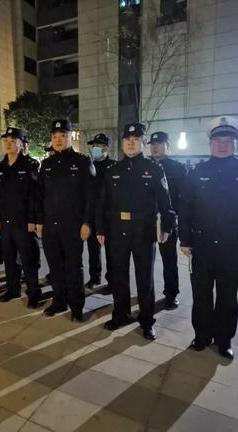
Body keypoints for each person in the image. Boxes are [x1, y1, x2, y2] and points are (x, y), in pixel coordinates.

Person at [179, 116, 238, 359]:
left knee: (227, 296)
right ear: (210, 144)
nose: (222, 145)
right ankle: (202, 336)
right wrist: (185, 240)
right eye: (218, 141)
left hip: (231, 245)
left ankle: (224, 340)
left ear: (235, 144)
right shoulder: (198, 171)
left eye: (228, 141)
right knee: (201, 295)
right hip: (202, 245)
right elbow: (186, 208)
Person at [95, 123, 175, 340]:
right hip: (117, 231)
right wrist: (100, 228)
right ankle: (121, 315)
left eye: (136, 139)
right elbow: (102, 203)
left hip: (143, 231)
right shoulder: (113, 170)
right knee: (118, 275)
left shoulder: (154, 169)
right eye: (127, 140)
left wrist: (167, 227)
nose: (131, 143)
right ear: (122, 143)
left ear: (143, 142)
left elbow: (165, 202)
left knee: (145, 278)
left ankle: (147, 321)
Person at [36, 119, 94, 321]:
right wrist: (40, 222)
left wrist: (87, 222)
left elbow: (90, 196)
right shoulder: (47, 164)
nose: (58, 140)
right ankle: (59, 301)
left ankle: (77, 306)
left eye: (63, 135)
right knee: (55, 267)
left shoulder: (82, 162)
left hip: (73, 226)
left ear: (71, 137)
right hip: (50, 226)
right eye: (55, 136)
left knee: (73, 267)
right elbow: (40, 195)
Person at [0, 127, 42, 307]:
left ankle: (33, 293)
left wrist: (32, 220)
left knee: (28, 259)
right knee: (9, 257)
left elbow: (34, 196)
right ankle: (12, 289)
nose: (8, 144)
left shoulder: (30, 165)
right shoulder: (0, 167)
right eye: (6, 141)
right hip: (6, 221)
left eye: (13, 141)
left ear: (21, 144)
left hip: (23, 222)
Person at [148, 131, 188, 310]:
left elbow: (185, 196)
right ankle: (145, 293)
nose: (155, 147)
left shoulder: (178, 168)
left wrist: (177, 217)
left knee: (169, 259)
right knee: (145, 260)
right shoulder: (144, 165)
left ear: (167, 146)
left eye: (159, 144)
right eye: (153, 144)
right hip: (146, 220)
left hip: (167, 220)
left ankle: (171, 294)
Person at [85, 133, 117, 291]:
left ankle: (112, 281)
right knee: (93, 250)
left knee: (111, 252)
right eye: (95, 146)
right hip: (92, 214)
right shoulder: (89, 166)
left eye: (100, 146)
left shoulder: (115, 166)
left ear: (107, 148)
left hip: (108, 216)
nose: (97, 148)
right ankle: (94, 277)